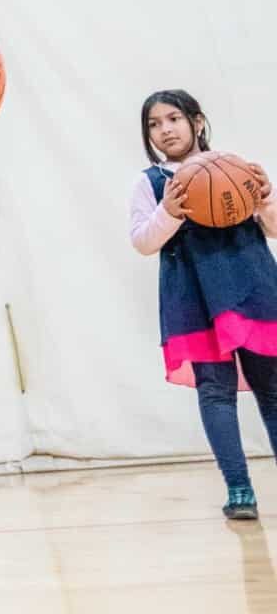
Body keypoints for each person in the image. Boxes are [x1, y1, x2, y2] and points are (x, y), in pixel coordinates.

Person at [129, 89, 277, 519]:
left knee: (272, 389)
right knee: (215, 392)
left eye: (172, 118)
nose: (164, 130)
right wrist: (170, 212)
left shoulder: (234, 168)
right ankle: (240, 490)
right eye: (154, 124)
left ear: (197, 121)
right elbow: (142, 242)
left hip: (250, 285)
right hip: (193, 293)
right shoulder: (150, 182)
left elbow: (272, 229)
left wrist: (264, 198)